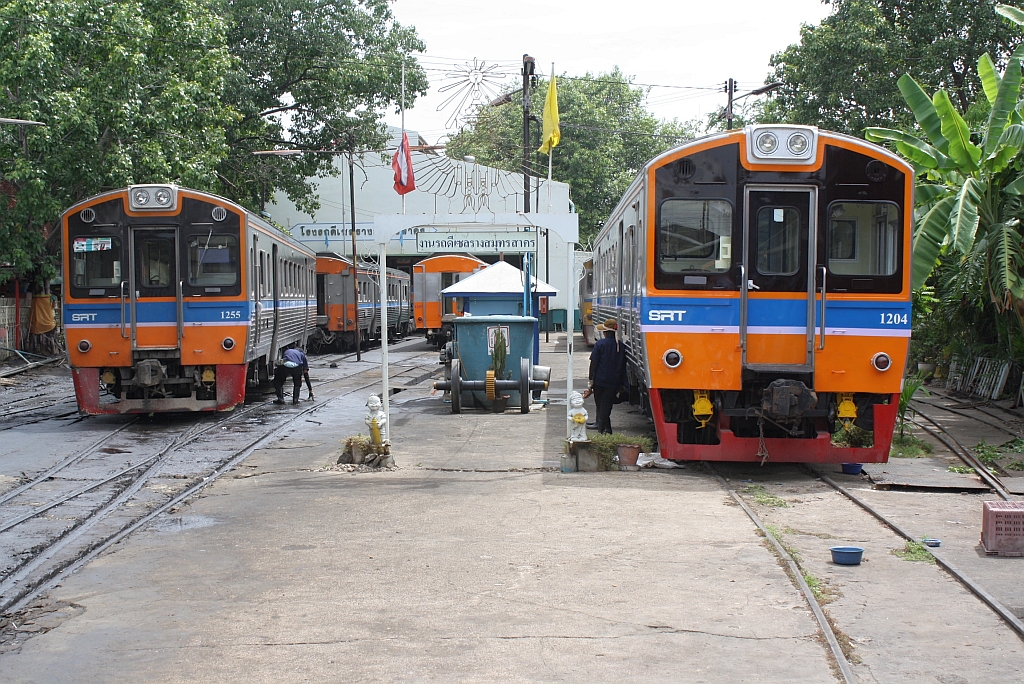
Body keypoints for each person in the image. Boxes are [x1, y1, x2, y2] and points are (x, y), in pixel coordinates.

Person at [586, 318, 626, 434]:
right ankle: (608, 430)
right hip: (614, 382)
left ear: (604, 332)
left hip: (599, 381)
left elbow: (594, 363)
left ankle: (601, 431)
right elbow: (623, 367)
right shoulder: (621, 346)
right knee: (606, 406)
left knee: (601, 406)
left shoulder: (600, 344)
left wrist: (591, 380)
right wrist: (621, 384)